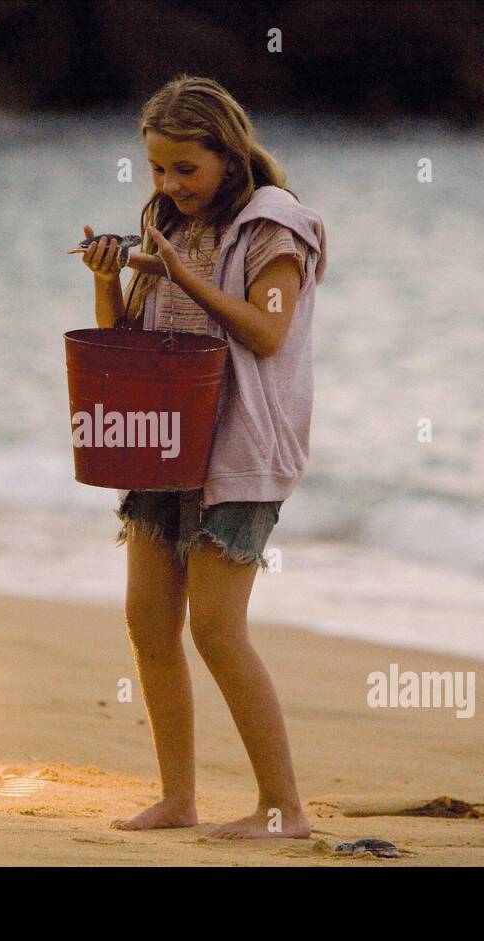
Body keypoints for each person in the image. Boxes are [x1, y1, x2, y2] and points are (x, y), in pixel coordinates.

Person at [79, 74, 328, 839]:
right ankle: (178, 799)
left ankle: (285, 810)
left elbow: (267, 332)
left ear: (228, 153)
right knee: (148, 623)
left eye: (185, 167)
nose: (168, 183)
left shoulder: (271, 231)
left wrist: (183, 273)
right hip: (163, 438)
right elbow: (128, 335)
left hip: (240, 450)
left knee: (218, 630)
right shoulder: (166, 221)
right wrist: (110, 278)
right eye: (157, 168)